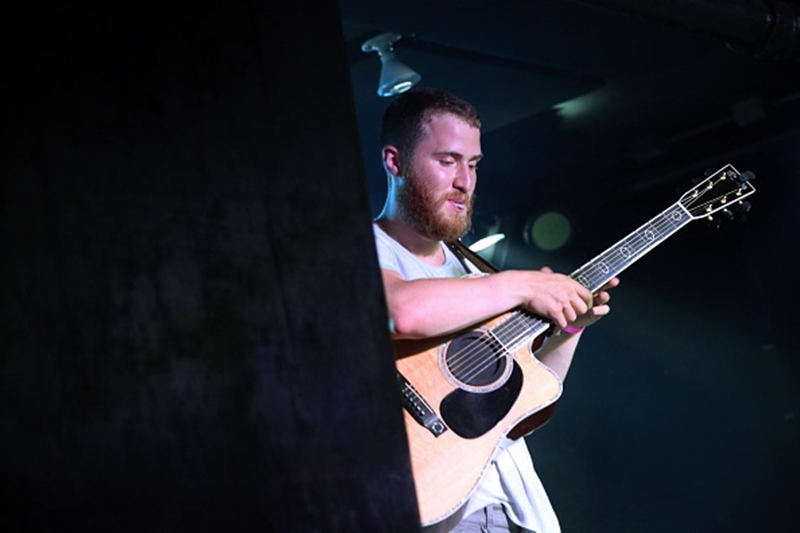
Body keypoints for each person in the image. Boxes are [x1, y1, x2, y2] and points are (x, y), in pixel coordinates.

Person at [372, 87, 620, 533]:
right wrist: (522, 283)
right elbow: (400, 313)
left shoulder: (471, 269)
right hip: (446, 514)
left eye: (473, 164)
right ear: (395, 162)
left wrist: (568, 330)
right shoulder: (364, 248)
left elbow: (518, 403)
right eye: (447, 161)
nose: (465, 181)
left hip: (513, 512)